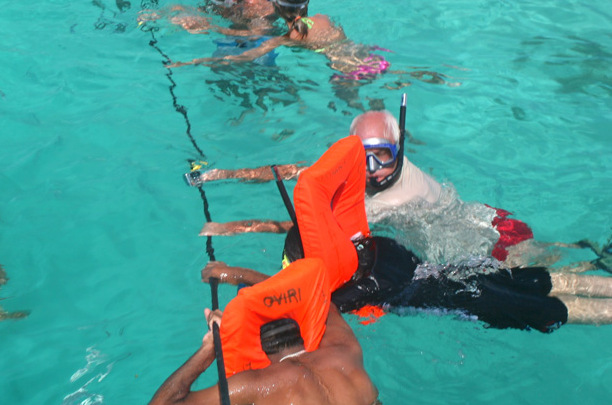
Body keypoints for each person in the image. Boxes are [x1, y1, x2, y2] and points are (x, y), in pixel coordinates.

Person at [199, 136, 612, 332]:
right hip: (465, 272)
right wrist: (232, 272)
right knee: (535, 280)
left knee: (552, 310)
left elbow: (286, 305)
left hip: (468, 299)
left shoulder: (350, 293)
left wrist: (230, 310)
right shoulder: (373, 247)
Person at [141, 258, 455, 405]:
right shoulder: (345, 350)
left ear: (254, 342)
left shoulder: (256, 385)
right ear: (299, 325)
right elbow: (312, 297)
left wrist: (212, 348)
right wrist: (238, 275)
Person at [195, 107, 549, 264]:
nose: (370, 169)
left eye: (381, 156)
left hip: (491, 242)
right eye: (360, 157)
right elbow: (306, 171)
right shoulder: (382, 164)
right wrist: (227, 174)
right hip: (484, 216)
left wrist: (238, 227)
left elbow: (316, 228)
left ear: (399, 149)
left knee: (552, 274)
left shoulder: (392, 201)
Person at [167, 0, 390, 86]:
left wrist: (192, 62)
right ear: (307, 0)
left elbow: (244, 56)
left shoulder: (288, 37)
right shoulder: (322, 18)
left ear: (276, 6)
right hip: (367, 54)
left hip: (347, 70)